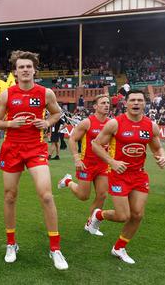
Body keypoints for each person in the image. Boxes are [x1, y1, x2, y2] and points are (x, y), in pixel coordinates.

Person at [0, 50, 68, 270]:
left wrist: (47, 123)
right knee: (10, 196)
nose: (25, 70)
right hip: (12, 148)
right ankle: (11, 244)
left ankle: (55, 248)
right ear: (15, 71)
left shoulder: (46, 93)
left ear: (34, 70)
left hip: (35, 148)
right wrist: (9, 124)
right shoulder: (6, 94)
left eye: (28, 67)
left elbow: (57, 113)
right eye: (21, 67)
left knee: (46, 195)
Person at [87, 90, 165, 264]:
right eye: (133, 100)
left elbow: (157, 148)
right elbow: (95, 144)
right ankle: (98, 215)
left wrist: (163, 156)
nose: (136, 103)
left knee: (137, 215)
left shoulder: (150, 126)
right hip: (118, 175)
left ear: (145, 103)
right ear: (126, 103)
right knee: (123, 215)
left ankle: (119, 248)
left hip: (139, 175)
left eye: (140, 100)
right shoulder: (115, 124)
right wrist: (112, 161)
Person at [57, 94, 111, 235]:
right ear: (95, 106)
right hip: (86, 164)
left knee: (102, 195)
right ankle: (68, 181)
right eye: (103, 103)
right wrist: (76, 158)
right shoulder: (87, 122)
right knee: (83, 196)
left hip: (103, 165)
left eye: (108, 103)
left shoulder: (112, 123)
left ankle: (91, 223)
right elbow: (73, 139)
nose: (106, 105)